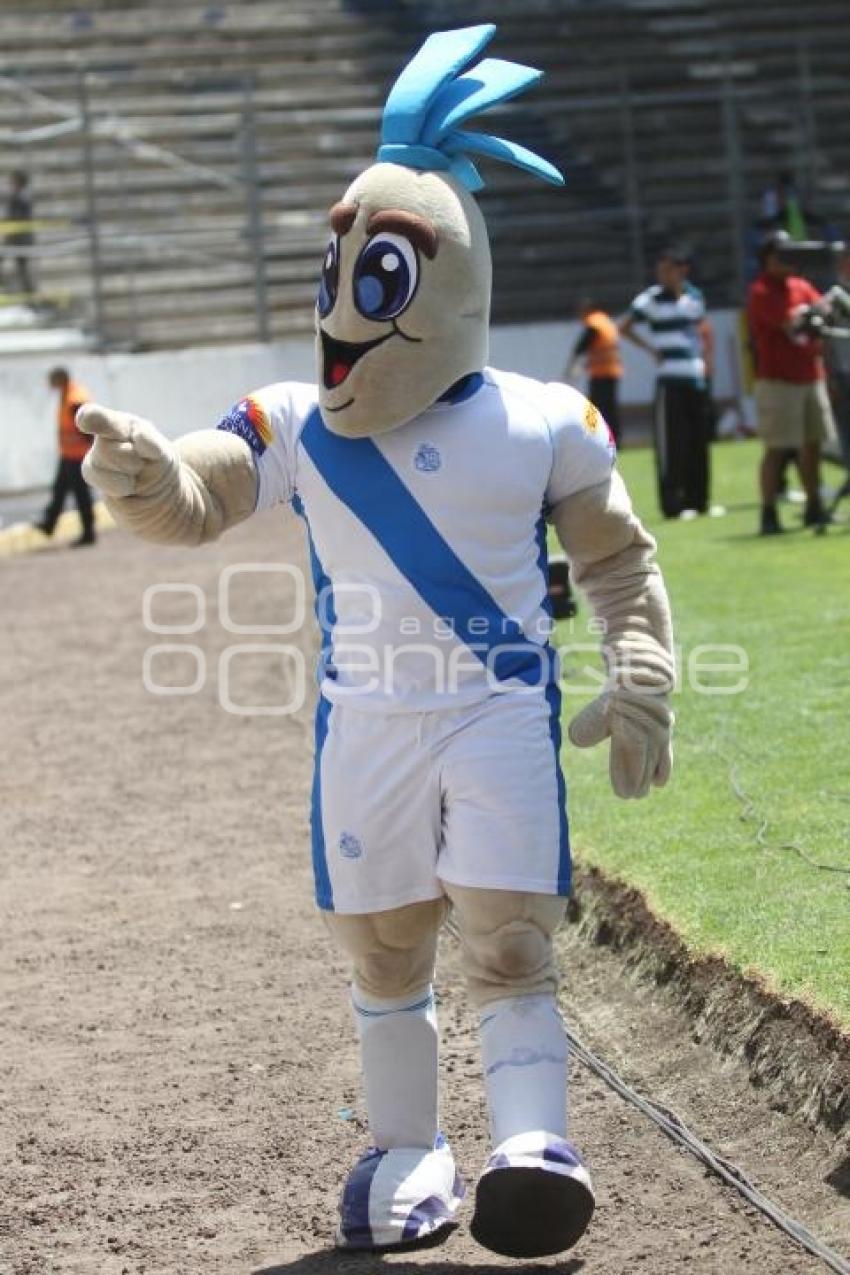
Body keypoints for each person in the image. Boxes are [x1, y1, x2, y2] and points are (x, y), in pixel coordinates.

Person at [77, 25, 673, 1261]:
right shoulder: (296, 421)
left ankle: (531, 1146)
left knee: (509, 938)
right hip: (368, 725)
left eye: (381, 275)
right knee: (389, 947)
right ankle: (405, 1147)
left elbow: (616, 557)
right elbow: (196, 499)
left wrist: (645, 671)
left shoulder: (545, 421)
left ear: (447, 282)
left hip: (496, 715)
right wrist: (135, 472)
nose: (344, 316)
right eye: (337, 270)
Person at [747, 234, 836, 534]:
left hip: (811, 375)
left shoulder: (800, 286)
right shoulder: (762, 290)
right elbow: (791, 324)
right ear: (767, 259)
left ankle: (814, 506)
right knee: (778, 448)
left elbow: (824, 311)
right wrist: (814, 314)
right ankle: (768, 513)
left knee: (813, 446)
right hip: (778, 381)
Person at [620, 246, 713, 518]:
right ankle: (673, 505)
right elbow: (624, 327)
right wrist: (651, 350)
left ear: (681, 270)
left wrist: (706, 358)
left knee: (699, 441)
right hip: (670, 379)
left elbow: (702, 329)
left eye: (667, 269)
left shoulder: (695, 297)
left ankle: (700, 501)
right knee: (672, 443)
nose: (662, 274)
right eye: (659, 269)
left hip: (694, 377)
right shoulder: (651, 299)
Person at [36, 368, 96, 546]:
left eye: (51, 380)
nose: (49, 385)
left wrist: (91, 450)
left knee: (81, 494)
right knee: (59, 489)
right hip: (68, 454)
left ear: (60, 379)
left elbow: (87, 428)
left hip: (77, 455)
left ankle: (88, 532)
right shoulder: (66, 395)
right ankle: (49, 523)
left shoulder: (74, 399)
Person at [567, 297, 623, 447]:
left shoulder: (593, 323)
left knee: (595, 408)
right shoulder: (606, 321)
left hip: (601, 373)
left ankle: (595, 438)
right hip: (612, 370)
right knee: (610, 408)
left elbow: (581, 346)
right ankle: (615, 439)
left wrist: (571, 366)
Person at [3, 171, 35, 297]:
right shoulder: (17, 196)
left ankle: (30, 296)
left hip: (20, 239)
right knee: (21, 268)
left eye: (13, 181)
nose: (11, 184)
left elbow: (18, 218)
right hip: (13, 237)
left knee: (22, 268)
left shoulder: (23, 197)